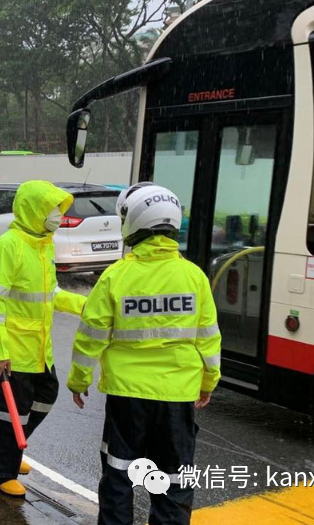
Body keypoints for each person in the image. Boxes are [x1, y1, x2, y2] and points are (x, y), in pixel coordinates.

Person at [68, 182, 221, 525]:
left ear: (132, 223)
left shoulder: (116, 277)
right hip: (177, 396)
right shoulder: (193, 277)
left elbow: (89, 337)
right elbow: (208, 338)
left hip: (127, 397)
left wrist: (79, 380)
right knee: (174, 481)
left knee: (119, 477)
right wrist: (209, 380)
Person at [0, 180, 87, 498]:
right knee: (7, 413)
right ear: (34, 211)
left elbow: (50, 294)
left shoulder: (43, 247)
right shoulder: (8, 245)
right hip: (8, 352)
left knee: (45, 397)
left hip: (39, 351)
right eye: (53, 209)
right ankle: (0, 474)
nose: (57, 215)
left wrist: (84, 306)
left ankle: (5, 450)